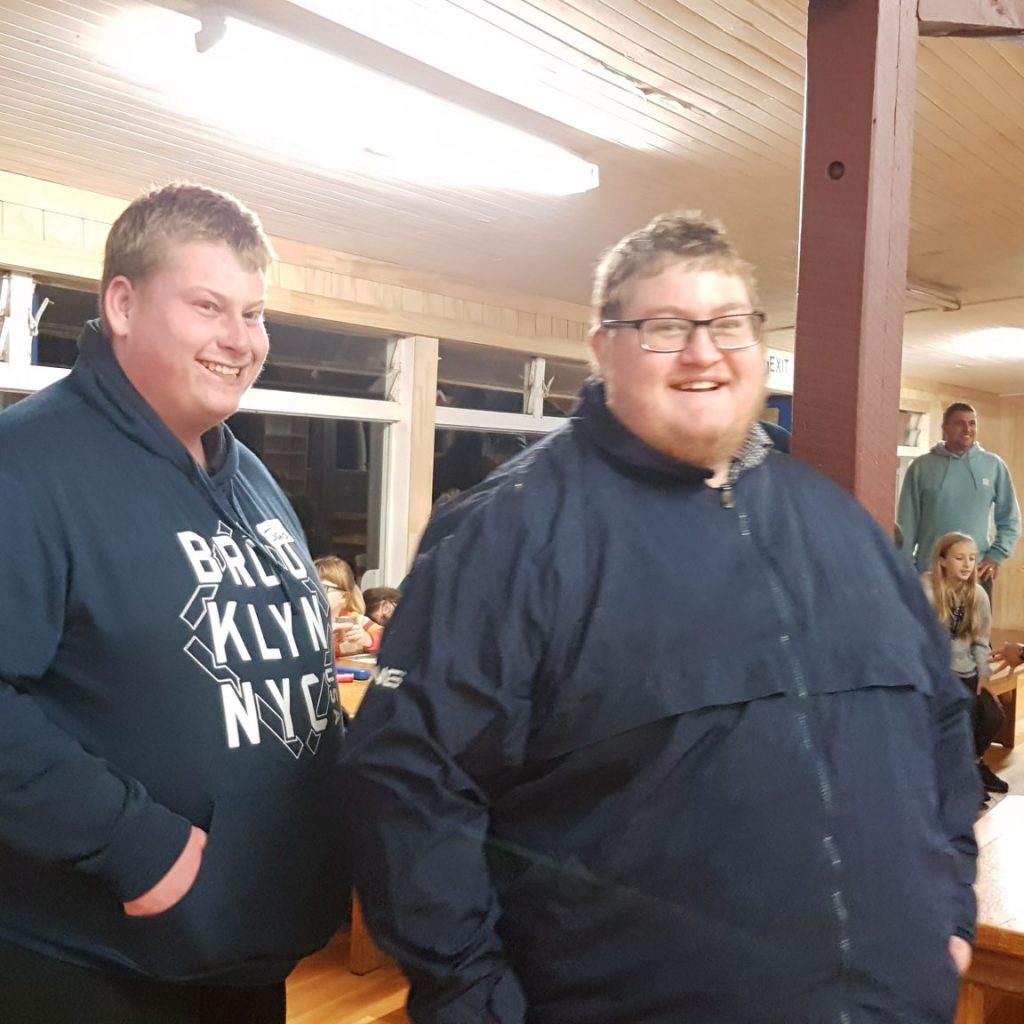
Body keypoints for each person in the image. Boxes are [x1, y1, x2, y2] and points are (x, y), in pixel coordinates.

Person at [341, 211, 980, 1024]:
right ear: (604, 349)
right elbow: (408, 788)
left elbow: (940, 719)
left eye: (729, 325)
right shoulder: (510, 536)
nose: (703, 352)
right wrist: (476, 1005)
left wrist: (948, 911)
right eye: (666, 327)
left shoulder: (839, 524)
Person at [0, 184, 349, 1023]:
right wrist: (136, 847)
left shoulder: (249, 476)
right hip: (96, 966)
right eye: (208, 307)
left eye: (254, 314)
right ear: (123, 305)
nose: (241, 340)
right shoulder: (27, 467)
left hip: (241, 947)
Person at [897, 402, 1020, 600]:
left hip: (975, 575)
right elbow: (907, 522)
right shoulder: (921, 467)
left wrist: (996, 556)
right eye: (960, 423)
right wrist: (905, 566)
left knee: (976, 622)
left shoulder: (994, 466)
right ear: (945, 427)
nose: (967, 429)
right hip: (931, 574)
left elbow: (1011, 519)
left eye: (972, 424)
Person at [921, 533, 1007, 795]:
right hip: (936, 673)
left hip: (966, 671)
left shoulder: (978, 594)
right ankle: (959, 783)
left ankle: (973, 767)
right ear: (942, 561)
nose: (967, 564)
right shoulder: (926, 589)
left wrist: (985, 675)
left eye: (972, 558)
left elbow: (980, 642)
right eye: (960, 558)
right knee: (960, 719)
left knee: (992, 715)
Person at [314, 555, 381, 657]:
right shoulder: (304, 622)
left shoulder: (355, 621)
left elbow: (389, 638)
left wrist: (367, 639)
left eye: (323, 588)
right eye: (312, 587)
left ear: (344, 597)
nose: (315, 593)